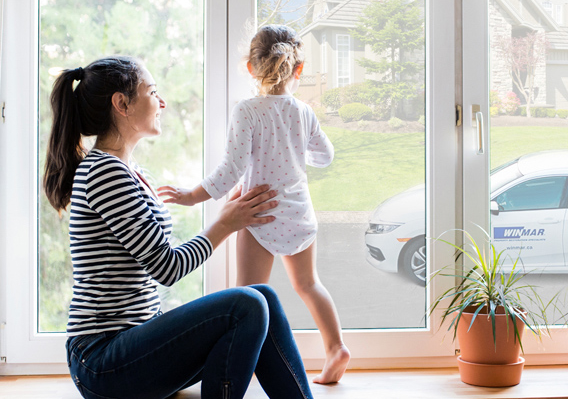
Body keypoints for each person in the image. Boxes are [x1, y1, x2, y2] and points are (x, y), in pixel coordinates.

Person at [43, 55, 314, 399]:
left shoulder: (129, 171)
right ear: (121, 104)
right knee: (246, 304)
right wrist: (225, 223)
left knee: (262, 296)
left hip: (134, 344)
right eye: (153, 91)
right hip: (102, 360)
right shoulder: (104, 173)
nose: (162, 102)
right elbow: (167, 268)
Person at [158, 24, 350, 384]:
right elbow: (325, 155)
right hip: (298, 213)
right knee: (309, 284)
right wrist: (293, 153)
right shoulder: (303, 112)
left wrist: (190, 196)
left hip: (258, 214)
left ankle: (242, 372)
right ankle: (336, 347)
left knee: (248, 299)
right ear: (299, 69)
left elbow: (230, 171)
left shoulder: (246, 112)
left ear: (250, 67)